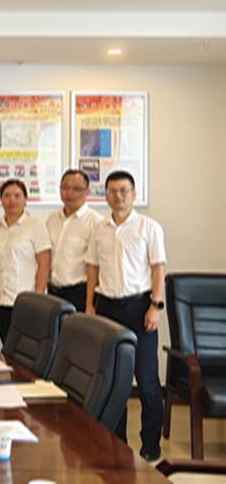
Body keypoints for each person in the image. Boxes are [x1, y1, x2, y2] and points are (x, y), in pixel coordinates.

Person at [86, 170, 166, 461]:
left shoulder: (149, 227)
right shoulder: (99, 229)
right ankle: (117, 443)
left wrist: (156, 306)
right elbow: (92, 269)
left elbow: (158, 269)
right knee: (114, 381)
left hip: (139, 308)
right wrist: (90, 305)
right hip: (107, 307)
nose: (118, 196)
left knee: (147, 381)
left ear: (133, 195)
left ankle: (151, 447)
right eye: (112, 191)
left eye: (123, 191)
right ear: (105, 195)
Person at [0, 179, 51, 343]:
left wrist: (38, 297)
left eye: (17, 195)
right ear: (1, 200)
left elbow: (44, 264)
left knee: (24, 349)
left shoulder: (36, 226)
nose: (12, 200)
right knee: (6, 346)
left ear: (25, 199)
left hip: (25, 301)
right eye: (7, 196)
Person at [46, 169, 103, 312]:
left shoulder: (96, 222)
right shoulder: (52, 219)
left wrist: (90, 304)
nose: (70, 193)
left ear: (87, 192)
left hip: (80, 294)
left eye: (76, 189)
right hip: (53, 292)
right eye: (65, 188)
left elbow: (95, 267)